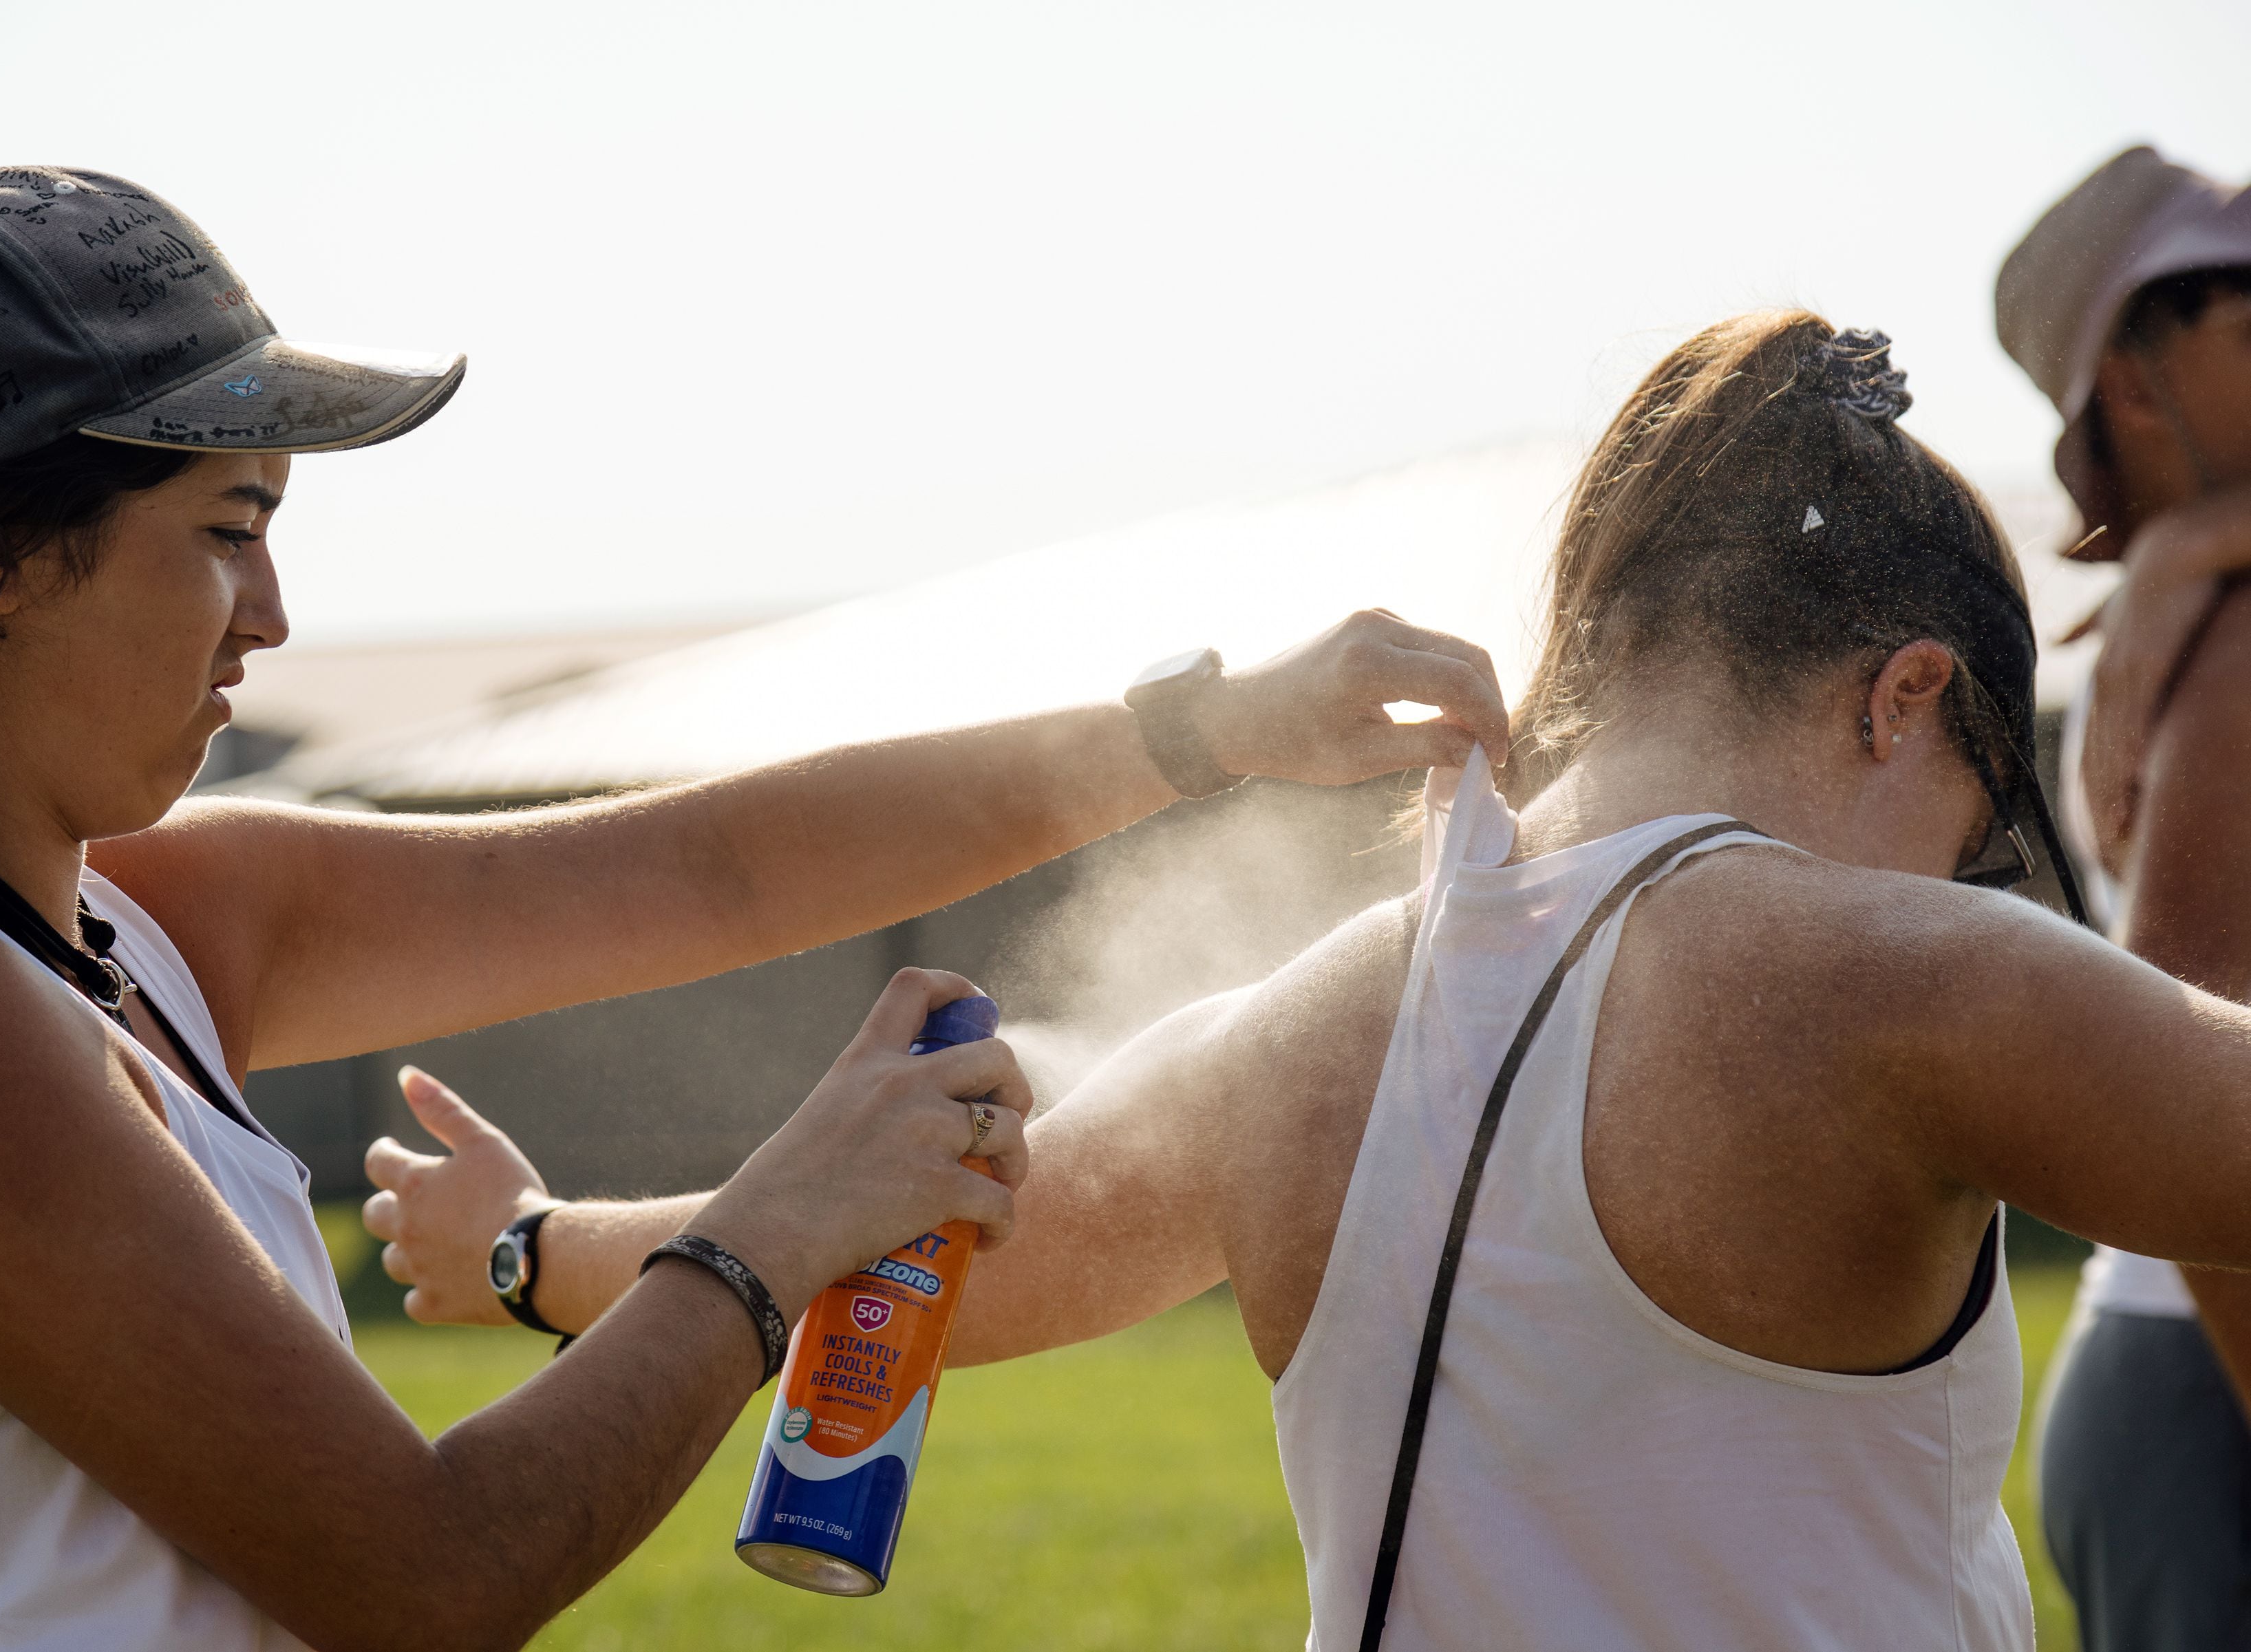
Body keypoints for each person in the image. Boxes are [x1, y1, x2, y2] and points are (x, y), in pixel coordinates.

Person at [0, 167, 1509, 1652]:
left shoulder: (145, 915)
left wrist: (1200, 734)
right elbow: (427, 1575)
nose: (274, 614)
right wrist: (782, 1226)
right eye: (229, 529)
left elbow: (715, 867)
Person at [374, 309, 2251, 1648]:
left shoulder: (1301, 1026)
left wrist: (535, 1241)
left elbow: (895, 1250)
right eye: (1983, 815)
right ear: (1906, 695)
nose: (1972, 870)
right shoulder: (1913, 977)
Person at [1997, 145, 2251, 1651]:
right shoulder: (2225, 644)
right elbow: (2197, 1106)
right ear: (2137, 382)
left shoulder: (2198, 602)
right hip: (2217, 1386)